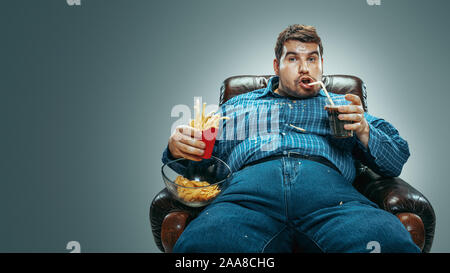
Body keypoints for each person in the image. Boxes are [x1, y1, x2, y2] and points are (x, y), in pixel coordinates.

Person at [162, 24, 420, 253]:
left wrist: (364, 130)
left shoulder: (343, 106)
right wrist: (178, 149)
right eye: (293, 59)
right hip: (246, 198)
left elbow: (395, 160)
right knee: (201, 246)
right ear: (277, 65)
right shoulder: (238, 105)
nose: (305, 68)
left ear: (321, 65)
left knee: (388, 243)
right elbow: (199, 164)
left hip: (331, 200)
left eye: (312, 59)